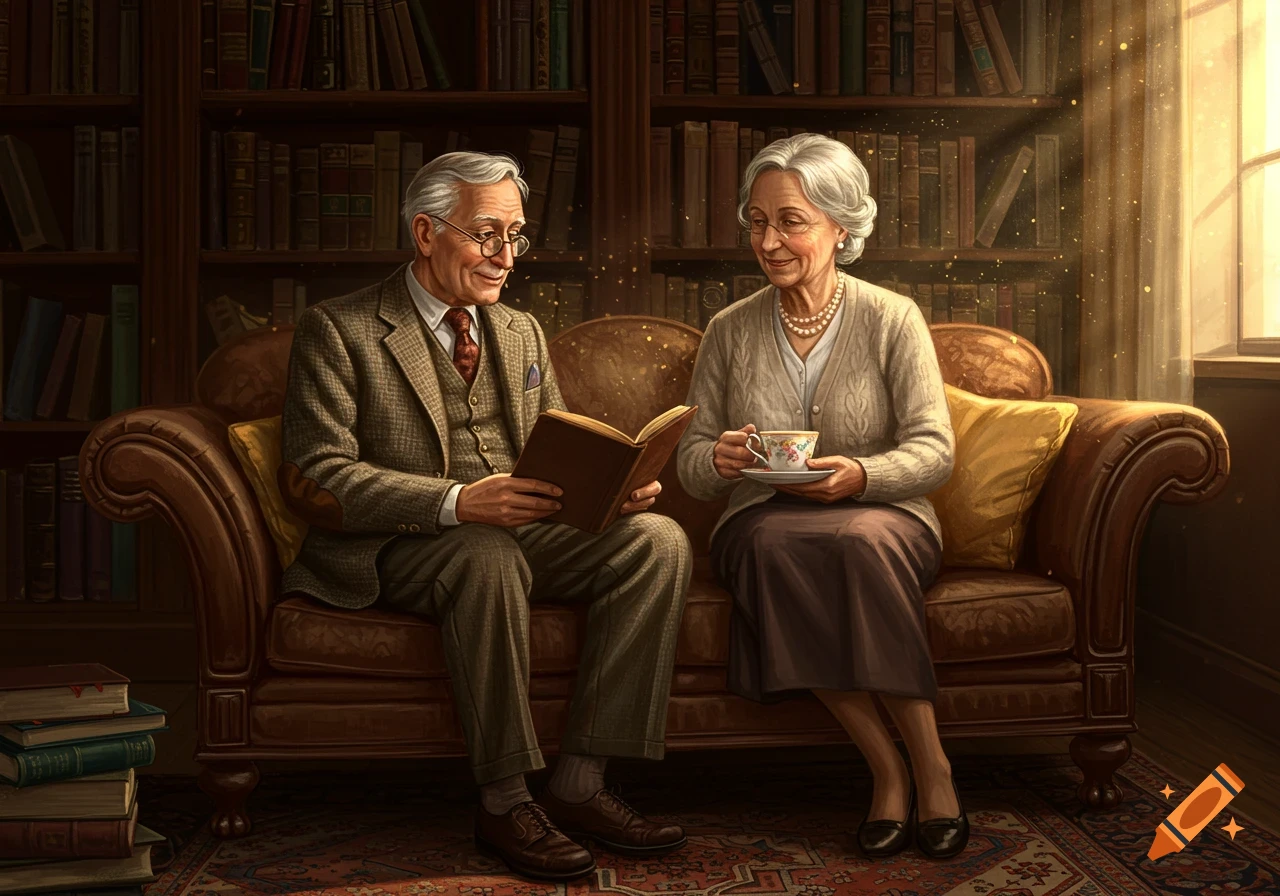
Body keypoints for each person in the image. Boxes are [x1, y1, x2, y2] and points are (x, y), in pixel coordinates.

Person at [279, 150, 692, 882]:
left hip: (522, 531)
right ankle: (504, 801)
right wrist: (457, 502)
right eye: (486, 234)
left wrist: (610, 488)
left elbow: (557, 443)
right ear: (426, 232)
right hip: (402, 543)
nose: (506, 256)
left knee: (656, 541)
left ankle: (579, 784)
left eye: (516, 236)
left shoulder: (522, 332)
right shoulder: (337, 329)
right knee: (485, 552)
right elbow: (318, 477)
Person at [676, 133, 968, 860]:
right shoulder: (728, 330)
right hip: (762, 521)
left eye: (790, 221)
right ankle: (888, 769)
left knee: (860, 540)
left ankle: (931, 766)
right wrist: (717, 457)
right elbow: (687, 460)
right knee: (775, 545)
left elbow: (935, 451)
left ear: (842, 226)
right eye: (756, 221)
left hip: (885, 518)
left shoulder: (891, 317)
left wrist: (862, 478)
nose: (769, 241)